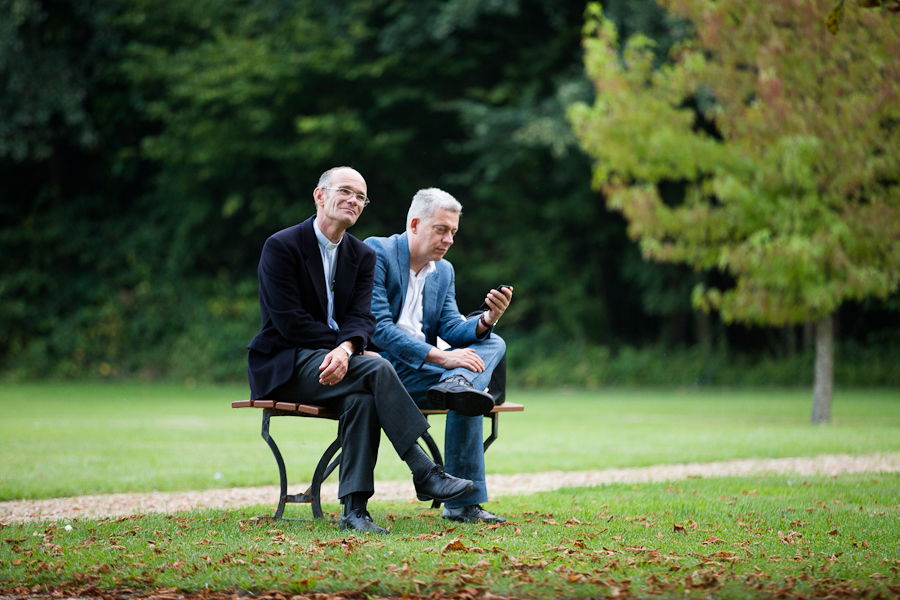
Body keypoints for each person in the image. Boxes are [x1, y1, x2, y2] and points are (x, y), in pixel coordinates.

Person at [247, 168, 476, 535]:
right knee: (377, 367)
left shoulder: (362, 254)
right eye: (346, 192)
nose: (354, 201)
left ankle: (355, 512)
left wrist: (348, 348)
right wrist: (346, 349)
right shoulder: (282, 246)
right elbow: (290, 323)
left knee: (363, 398)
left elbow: (362, 318)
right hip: (286, 365)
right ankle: (423, 469)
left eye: (361, 197)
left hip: (340, 365)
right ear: (320, 196)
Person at [364, 187, 513, 524]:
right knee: (467, 385)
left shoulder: (443, 271)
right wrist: (444, 359)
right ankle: (463, 504)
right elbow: (380, 330)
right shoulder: (379, 252)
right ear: (415, 224)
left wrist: (487, 320)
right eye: (442, 229)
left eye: (454, 232)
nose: (449, 240)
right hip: (382, 372)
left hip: (430, 376)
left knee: (493, 346)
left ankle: (462, 505)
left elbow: (451, 326)